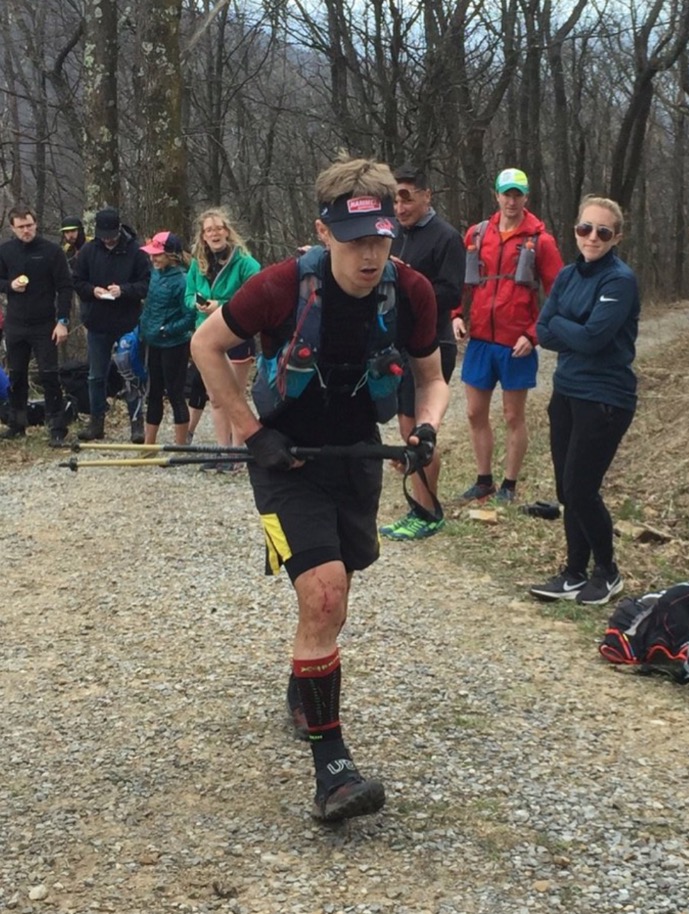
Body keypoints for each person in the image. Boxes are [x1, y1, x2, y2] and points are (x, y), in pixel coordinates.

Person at [190, 157, 445, 823]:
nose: (370, 253)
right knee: (323, 591)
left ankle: (303, 693)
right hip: (283, 462)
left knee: (333, 603)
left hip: (357, 456)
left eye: (381, 237)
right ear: (323, 231)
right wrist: (250, 431)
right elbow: (205, 344)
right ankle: (332, 770)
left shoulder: (410, 290)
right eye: (354, 237)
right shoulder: (279, 288)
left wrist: (424, 431)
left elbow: (431, 377)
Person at [527, 196, 639, 607]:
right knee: (565, 488)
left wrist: (562, 323)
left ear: (616, 237)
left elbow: (594, 339)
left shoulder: (619, 281)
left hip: (606, 398)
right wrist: (564, 325)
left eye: (602, 231)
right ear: (575, 229)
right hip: (567, 392)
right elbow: (543, 331)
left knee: (581, 487)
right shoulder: (569, 275)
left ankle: (606, 572)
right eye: (585, 228)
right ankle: (573, 572)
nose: (592, 237)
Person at [455, 167, 564, 505]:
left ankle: (509, 485)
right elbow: (461, 281)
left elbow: (558, 294)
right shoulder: (477, 234)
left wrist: (533, 336)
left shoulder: (540, 240)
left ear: (526, 198)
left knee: (513, 416)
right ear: (497, 196)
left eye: (518, 194)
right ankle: (483, 479)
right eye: (507, 193)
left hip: (516, 344)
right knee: (474, 412)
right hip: (481, 341)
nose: (512, 200)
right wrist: (455, 315)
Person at [379, 166, 463, 540]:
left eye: (407, 196)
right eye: (395, 198)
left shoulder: (446, 237)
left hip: (433, 344)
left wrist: (409, 279)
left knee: (420, 433)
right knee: (405, 428)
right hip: (397, 344)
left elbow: (452, 294)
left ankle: (429, 512)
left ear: (427, 196)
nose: (400, 205)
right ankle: (419, 506)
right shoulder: (390, 234)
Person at [183, 207, 263, 465]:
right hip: (206, 336)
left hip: (237, 334)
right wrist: (197, 304)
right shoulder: (197, 263)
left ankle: (239, 452)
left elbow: (256, 298)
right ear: (203, 236)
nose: (214, 233)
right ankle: (222, 450)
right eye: (209, 230)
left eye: (218, 228)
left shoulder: (245, 263)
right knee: (216, 398)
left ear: (227, 232)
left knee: (235, 397)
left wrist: (222, 305)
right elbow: (187, 295)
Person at [72, 207, 151, 442]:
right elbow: (76, 280)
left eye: (111, 235)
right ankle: (97, 421)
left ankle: (136, 422)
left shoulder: (136, 252)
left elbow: (146, 284)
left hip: (127, 322)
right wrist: (91, 291)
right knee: (96, 376)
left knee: (132, 374)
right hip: (97, 322)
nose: (107, 240)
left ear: (119, 230)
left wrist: (124, 291)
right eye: (103, 235)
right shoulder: (87, 251)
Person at [0, 205, 73, 443]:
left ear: (36, 224)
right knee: (17, 375)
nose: (26, 230)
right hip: (15, 323)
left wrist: (62, 321)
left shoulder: (51, 251)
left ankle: (57, 428)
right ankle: (17, 423)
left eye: (29, 225)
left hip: (45, 324)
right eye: (21, 227)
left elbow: (64, 287)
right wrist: (9, 286)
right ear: (12, 228)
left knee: (49, 375)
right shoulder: (6, 251)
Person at [137, 231, 195, 446]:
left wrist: (167, 330)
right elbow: (150, 305)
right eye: (152, 255)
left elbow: (190, 315)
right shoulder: (154, 274)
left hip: (174, 345)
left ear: (171, 255)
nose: (153, 259)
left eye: (158, 255)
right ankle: (149, 444)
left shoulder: (183, 280)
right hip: (153, 342)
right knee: (153, 393)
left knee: (175, 393)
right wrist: (144, 326)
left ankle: (181, 445)